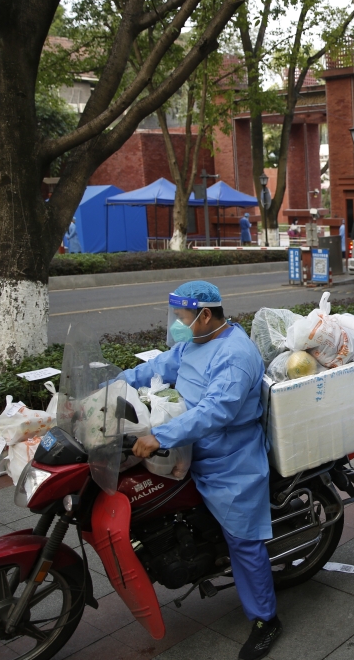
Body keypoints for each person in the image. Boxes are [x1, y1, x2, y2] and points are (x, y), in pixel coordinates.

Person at [120, 281, 281, 660]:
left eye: (182, 317)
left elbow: (216, 411)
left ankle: (265, 619)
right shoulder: (196, 342)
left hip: (230, 458)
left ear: (205, 315)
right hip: (190, 447)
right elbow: (159, 366)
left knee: (243, 541)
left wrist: (161, 435)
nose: (178, 324)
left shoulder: (235, 354)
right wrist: (107, 387)